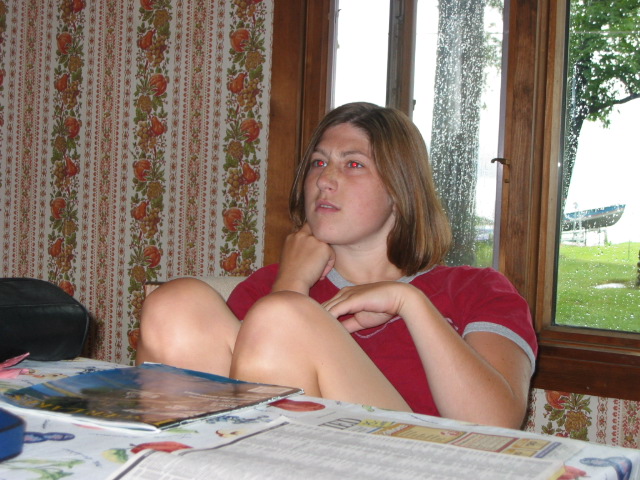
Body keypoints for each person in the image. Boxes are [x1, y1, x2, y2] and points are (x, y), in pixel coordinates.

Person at [136, 102, 537, 428]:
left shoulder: (476, 289)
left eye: (353, 164)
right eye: (318, 162)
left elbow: (493, 425)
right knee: (176, 302)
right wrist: (293, 281)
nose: (324, 180)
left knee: (282, 315)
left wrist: (409, 303)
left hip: (419, 465)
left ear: (400, 190)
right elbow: (248, 387)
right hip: (268, 457)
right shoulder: (273, 286)